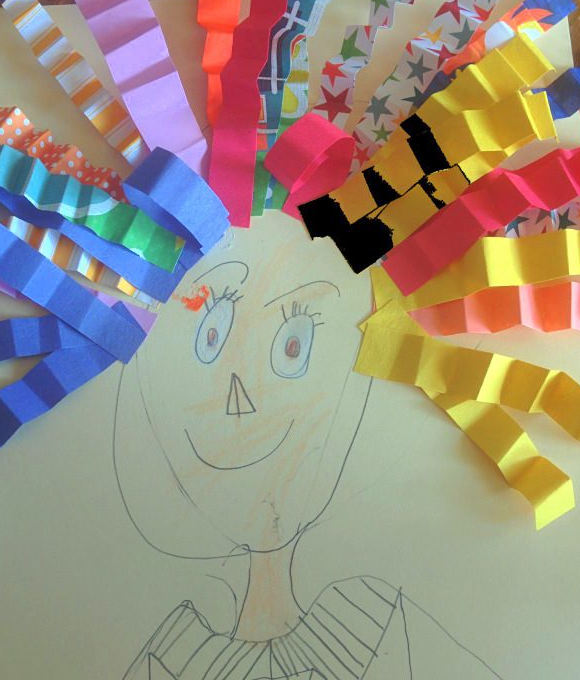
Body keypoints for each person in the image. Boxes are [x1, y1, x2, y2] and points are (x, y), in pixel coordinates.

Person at [114, 212, 501, 680]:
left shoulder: (374, 625)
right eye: (211, 337)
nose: (240, 395)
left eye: (291, 347)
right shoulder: (172, 661)